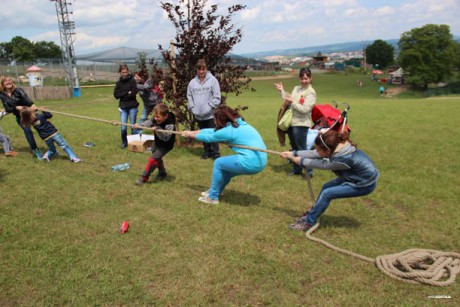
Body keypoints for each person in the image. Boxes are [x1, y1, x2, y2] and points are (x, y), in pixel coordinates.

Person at [281, 130, 379, 231]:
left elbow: (323, 164)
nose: (317, 152)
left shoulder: (344, 158)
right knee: (326, 187)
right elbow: (315, 153)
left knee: (328, 193)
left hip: (364, 184)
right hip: (354, 177)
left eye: (319, 150)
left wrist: (301, 161)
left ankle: (308, 222)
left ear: (327, 150)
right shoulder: (337, 147)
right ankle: (313, 213)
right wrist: (293, 153)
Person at [182, 105, 267, 205]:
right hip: (261, 161)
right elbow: (212, 131)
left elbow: (210, 137)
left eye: (215, 119)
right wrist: (193, 132)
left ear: (220, 120)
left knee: (219, 163)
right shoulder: (238, 124)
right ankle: (216, 191)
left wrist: (190, 135)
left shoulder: (229, 131)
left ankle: (212, 197)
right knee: (226, 171)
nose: (214, 121)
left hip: (251, 162)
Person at [275, 67, 316, 177]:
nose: (304, 81)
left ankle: (309, 172)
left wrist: (293, 102)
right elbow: (288, 100)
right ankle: (297, 170)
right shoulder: (297, 88)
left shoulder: (311, 93)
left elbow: (305, 109)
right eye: (302, 78)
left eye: (306, 78)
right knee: (294, 148)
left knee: (302, 149)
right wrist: (281, 91)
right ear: (299, 78)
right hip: (291, 123)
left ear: (311, 78)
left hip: (301, 124)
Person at [0, 76, 43, 159]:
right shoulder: (2, 95)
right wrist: (16, 108)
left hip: (30, 113)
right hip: (20, 117)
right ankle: (35, 150)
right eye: (6, 81)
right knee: (27, 131)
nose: (8, 82)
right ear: (2, 84)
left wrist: (32, 105)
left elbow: (27, 100)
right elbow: (8, 108)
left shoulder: (18, 90)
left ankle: (52, 147)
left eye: (9, 80)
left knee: (41, 128)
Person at [187, 59, 221, 160]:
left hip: (210, 114)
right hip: (198, 115)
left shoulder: (213, 80)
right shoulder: (192, 83)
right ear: (196, 70)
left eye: (203, 69)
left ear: (206, 69)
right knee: (203, 134)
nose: (201, 72)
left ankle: (216, 153)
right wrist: (192, 108)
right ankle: (207, 152)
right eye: (199, 69)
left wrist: (209, 107)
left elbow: (217, 96)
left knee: (213, 133)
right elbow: (189, 96)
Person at [133, 103, 176, 186]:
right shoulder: (155, 117)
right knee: (156, 156)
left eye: (158, 117)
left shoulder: (170, 124)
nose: (156, 119)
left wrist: (157, 129)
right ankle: (162, 173)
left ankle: (144, 177)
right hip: (157, 141)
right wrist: (139, 125)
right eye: (155, 116)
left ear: (165, 116)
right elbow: (149, 122)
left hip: (166, 144)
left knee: (153, 159)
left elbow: (166, 138)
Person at [114, 64, 140, 149]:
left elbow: (133, 94)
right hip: (123, 107)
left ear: (127, 71)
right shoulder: (118, 83)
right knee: (123, 127)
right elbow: (116, 95)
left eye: (125, 72)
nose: (124, 74)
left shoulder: (132, 81)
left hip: (132, 106)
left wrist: (124, 95)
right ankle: (124, 142)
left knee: (133, 126)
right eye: (122, 72)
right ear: (120, 72)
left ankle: (134, 143)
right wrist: (126, 93)